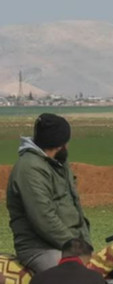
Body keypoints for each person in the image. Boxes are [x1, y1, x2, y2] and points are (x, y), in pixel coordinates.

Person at [6, 113, 91, 273]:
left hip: (66, 244)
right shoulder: (30, 169)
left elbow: (72, 203)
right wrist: (76, 247)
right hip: (39, 248)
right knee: (73, 280)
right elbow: (43, 218)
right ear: (59, 144)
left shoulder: (58, 162)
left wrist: (84, 243)